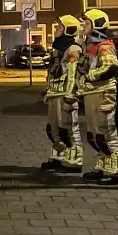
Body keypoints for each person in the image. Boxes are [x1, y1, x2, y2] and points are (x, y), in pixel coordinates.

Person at [76, 8, 118, 185]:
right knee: (94, 135)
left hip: (103, 93)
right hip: (91, 93)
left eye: (87, 23)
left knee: (106, 133)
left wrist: (90, 76)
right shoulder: (89, 46)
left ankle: (115, 171)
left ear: (97, 25)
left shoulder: (105, 46)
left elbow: (111, 68)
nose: (83, 26)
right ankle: (102, 166)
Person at [42, 15, 84, 173]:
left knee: (68, 130)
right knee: (53, 129)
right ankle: (59, 157)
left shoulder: (73, 49)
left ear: (68, 30)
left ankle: (75, 161)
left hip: (65, 96)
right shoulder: (58, 48)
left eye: (59, 27)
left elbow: (73, 75)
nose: (56, 30)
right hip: (54, 94)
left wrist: (70, 97)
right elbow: (53, 72)